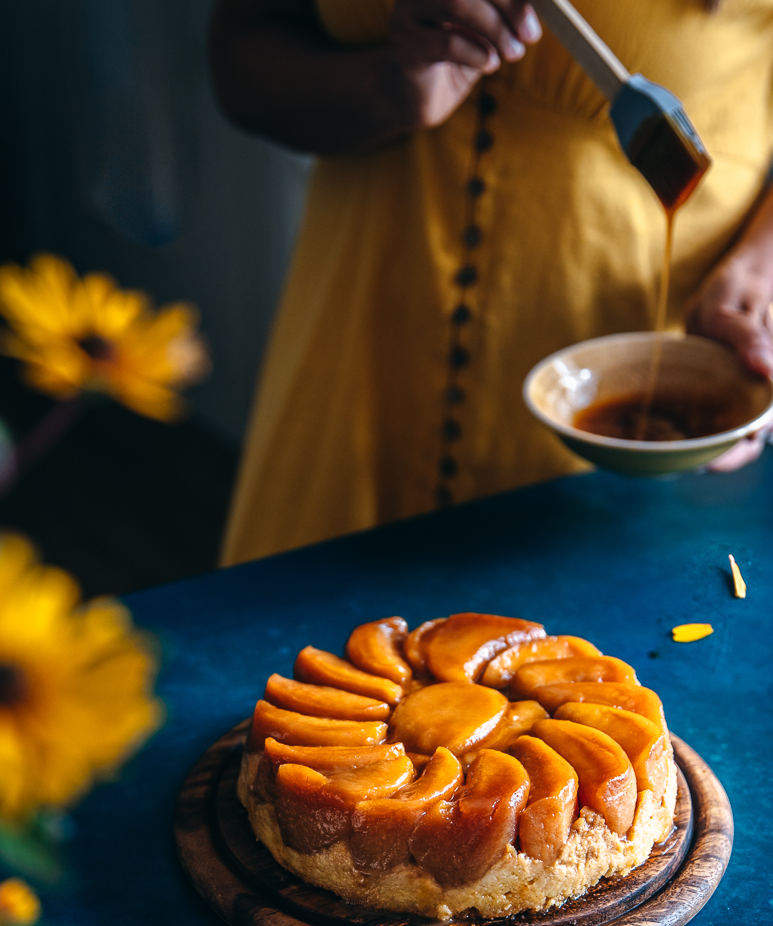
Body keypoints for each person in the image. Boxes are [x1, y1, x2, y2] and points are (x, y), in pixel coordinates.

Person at [213, 0, 773, 566]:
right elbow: (240, 57)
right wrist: (388, 84)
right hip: (345, 383)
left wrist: (757, 275)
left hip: (620, 454)